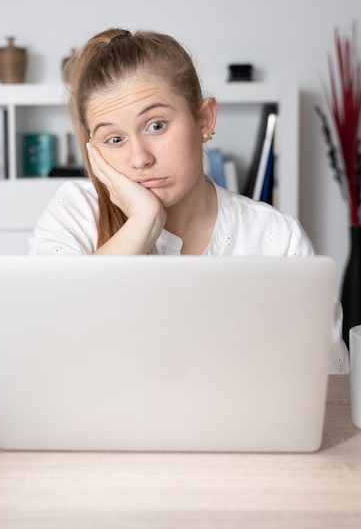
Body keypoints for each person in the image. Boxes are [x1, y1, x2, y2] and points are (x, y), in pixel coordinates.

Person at [29, 27, 349, 372]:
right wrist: (143, 221)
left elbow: (327, 390)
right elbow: (45, 348)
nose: (140, 159)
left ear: (204, 120)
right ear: (94, 151)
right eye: (115, 139)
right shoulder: (75, 211)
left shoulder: (277, 238)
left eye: (156, 126)